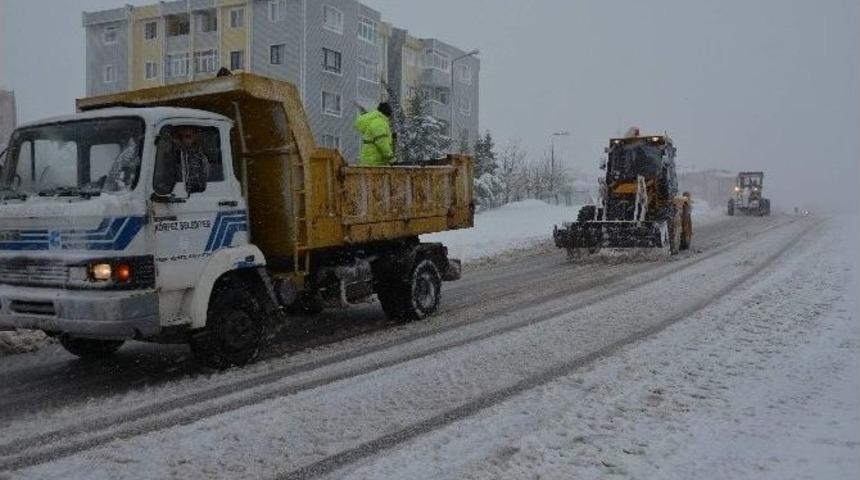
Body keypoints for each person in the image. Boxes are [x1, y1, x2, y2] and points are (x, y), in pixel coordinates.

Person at [354, 102, 394, 166]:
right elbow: (381, 141)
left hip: (372, 160)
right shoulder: (379, 123)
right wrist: (391, 157)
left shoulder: (378, 121)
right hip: (374, 162)